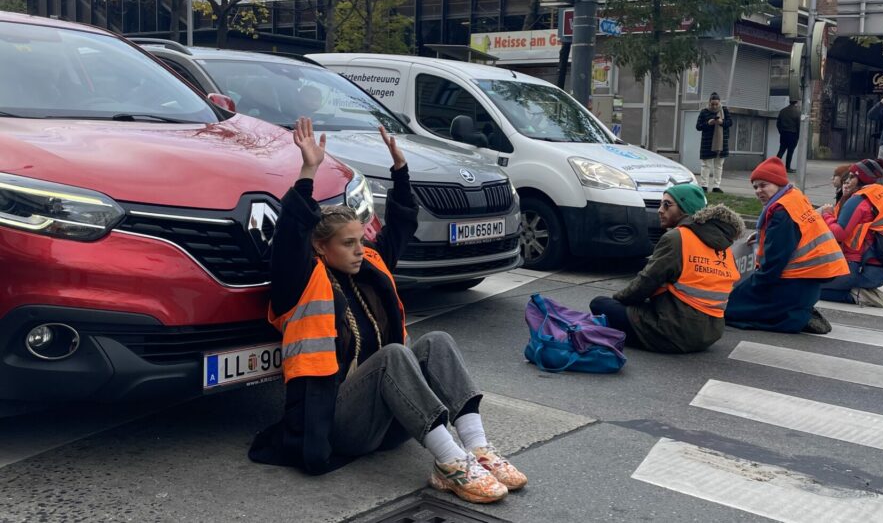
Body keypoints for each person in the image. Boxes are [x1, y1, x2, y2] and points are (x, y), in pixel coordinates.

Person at [249, 118, 524, 503]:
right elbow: (290, 240)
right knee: (393, 355)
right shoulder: (300, 283)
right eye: (348, 244)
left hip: (392, 415)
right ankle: (450, 461)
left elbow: (400, 226)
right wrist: (308, 171)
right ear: (320, 249)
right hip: (333, 424)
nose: (360, 250)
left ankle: (477, 448)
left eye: (360, 240)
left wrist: (401, 171)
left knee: (438, 341)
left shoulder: (371, 267)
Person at [589, 182, 744, 353]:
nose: (660, 210)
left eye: (667, 204)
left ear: (685, 208)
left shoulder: (677, 238)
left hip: (673, 333)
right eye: (660, 204)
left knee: (599, 304)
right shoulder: (724, 247)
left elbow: (645, 283)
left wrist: (617, 301)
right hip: (709, 334)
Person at [724, 157, 848, 334]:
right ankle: (797, 311)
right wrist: (762, 236)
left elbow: (772, 267)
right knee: (743, 304)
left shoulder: (782, 212)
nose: (759, 191)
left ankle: (797, 317)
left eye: (763, 185)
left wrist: (748, 288)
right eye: (755, 187)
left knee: (727, 310)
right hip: (806, 286)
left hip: (792, 285)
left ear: (778, 184)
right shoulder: (794, 197)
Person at [819, 158, 883, 307]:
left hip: (858, 269)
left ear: (861, 178)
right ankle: (861, 291)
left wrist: (827, 215)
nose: (847, 180)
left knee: (809, 289)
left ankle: (858, 295)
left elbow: (840, 233)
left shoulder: (859, 200)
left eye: (852, 176)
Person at [696, 92, 732, 193]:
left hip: (721, 142)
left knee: (719, 165)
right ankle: (704, 186)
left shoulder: (724, 110)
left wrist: (722, 122)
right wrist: (708, 123)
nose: (715, 106)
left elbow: (730, 123)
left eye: (716, 104)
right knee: (705, 165)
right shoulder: (704, 112)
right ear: (709, 103)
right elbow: (698, 126)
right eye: (712, 104)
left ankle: (716, 186)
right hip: (707, 142)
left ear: (719, 102)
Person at [776, 99, 801, 172]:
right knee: (790, 152)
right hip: (793, 134)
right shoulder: (797, 112)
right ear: (796, 102)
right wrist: (798, 136)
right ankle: (787, 167)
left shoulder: (782, 111)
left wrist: (781, 132)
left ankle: (774, 166)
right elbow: (798, 125)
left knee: (781, 150)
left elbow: (778, 123)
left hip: (783, 133)